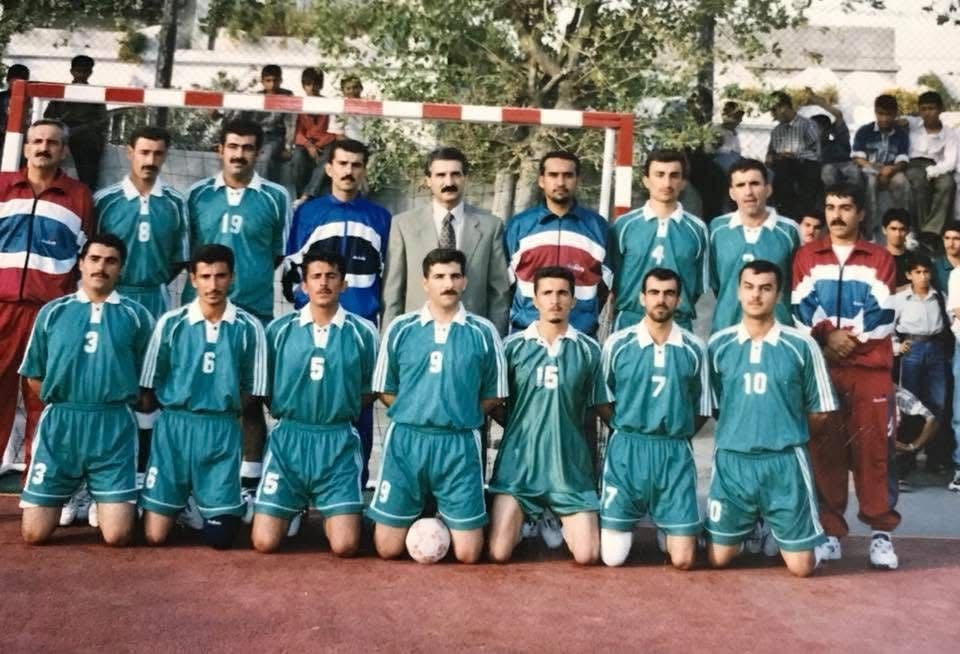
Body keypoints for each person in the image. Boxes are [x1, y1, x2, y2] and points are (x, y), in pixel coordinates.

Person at [368, 248, 507, 563]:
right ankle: (418, 512)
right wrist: (416, 410)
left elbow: (494, 394)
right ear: (425, 283)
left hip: (459, 444)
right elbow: (384, 388)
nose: (448, 283)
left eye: (455, 276)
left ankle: (442, 514)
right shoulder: (401, 328)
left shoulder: (483, 332)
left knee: (469, 554)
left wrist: (462, 415)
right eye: (439, 276)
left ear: (465, 281)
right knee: (387, 549)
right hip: (407, 441)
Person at [792, 182, 901, 570]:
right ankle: (831, 533)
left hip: (869, 371)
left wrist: (843, 340)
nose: (836, 215)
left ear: (861, 213)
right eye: (830, 207)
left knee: (874, 453)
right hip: (825, 369)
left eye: (845, 207)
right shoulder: (807, 256)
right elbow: (801, 306)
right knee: (826, 452)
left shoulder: (880, 258)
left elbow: (882, 312)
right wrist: (827, 336)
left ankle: (881, 534)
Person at [19, 233, 153, 546]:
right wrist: (67, 402)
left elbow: (148, 380)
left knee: (118, 536)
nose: (100, 267)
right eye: (94, 259)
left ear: (121, 269)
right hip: (62, 425)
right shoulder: (53, 312)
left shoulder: (137, 316)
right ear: (81, 263)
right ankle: (73, 487)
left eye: (110, 261)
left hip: (113, 426)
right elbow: (33, 375)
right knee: (34, 534)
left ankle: (99, 491)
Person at [185, 118, 290, 513]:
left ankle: (248, 485)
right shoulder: (197, 195)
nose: (239, 154)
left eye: (247, 147)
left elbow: (277, 254)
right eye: (232, 146)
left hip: (253, 311)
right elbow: (189, 254)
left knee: (250, 400)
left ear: (258, 152)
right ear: (220, 150)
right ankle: (195, 485)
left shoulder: (275, 197)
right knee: (198, 400)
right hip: (201, 315)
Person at [707, 260, 836, 577]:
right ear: (738, 292)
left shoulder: (801, 345)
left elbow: (820, 410)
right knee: (717, 559)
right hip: (734, 460)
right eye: (749, 287)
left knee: (802, 569)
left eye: (765, 288)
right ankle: (752, 524)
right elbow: (716, 404)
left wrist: (785, 432)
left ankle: (774, 526)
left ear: (778, 295)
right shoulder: (718, 345)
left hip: (784, 462)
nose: (756, 295)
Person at [138, 244, 268, 549]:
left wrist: (221, 408)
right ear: (193, 279)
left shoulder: (249, 327)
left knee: (220, 539)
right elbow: (150, 383)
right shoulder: (171, 323)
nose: (213, 285)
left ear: (232, 277)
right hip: (174, 430)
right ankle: (181, 499)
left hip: (221, 431)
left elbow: (254, 389)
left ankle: (206, 498)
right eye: (206, 277)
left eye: (220, 276)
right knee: (154, 536)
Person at [252, 247, 377, 555]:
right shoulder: (278, 331)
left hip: (337, 440)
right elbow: (265, 387)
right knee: (264, 543)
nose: (323, 283)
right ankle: (291, 506)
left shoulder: (363, 332)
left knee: (345, 546)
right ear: (304, 285)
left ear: (344, 284)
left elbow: (369, 389)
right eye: (316, 276)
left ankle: (332, 510)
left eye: (331, 276)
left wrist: (335, 409)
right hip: (289, 439)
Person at [284, 138, 390, 485]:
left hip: (359, 330)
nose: (348, 171)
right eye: (342, 164)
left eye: (356, 165)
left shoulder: (380, 217)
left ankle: (353, 488)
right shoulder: (308, 213)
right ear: (329, 168)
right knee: (308, 407)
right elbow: (292, 271)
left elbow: (387, 277)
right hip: (314, 330)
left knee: (358, 411)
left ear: (364, 170)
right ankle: (299, 490)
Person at [596, 268, 711, 569]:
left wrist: (677, 432)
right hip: (627, 450)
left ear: (679, 299)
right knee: (612, 558)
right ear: (642, 297)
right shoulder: (618, 344)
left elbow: (703, 408)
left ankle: (669, 524)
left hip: (673, 452)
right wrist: (623, 426)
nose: (661, 299)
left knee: (683, 560)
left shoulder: (694, 347)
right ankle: (640, 520)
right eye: (655, 293)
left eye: (669, 293)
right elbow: (602, 398)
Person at [0, 119, 94, 487]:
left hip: (49, 314)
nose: (43, 147)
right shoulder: (4, 187)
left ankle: (39, 482)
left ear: (64, 150)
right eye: (37, 141)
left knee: (44, 397)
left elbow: (85, 258)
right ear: (25, 148)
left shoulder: (79, 196)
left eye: (52, 142)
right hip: (2, 308)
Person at [487, 266, 602, 565]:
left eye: (562, 293)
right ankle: (528, 518)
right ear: (535, 299)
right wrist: (523, 425)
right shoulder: (511, 348)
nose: (555, 300)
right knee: (498, 552)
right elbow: (494, 402)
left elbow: (599, 406)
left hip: (569, 471)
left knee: (588, 555)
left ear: (573, 300)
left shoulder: (589, 350)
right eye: (547, 293)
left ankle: (552, 515)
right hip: (518, 469)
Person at [382, 146, 510, 334]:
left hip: (471, 335)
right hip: (417, 334)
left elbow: (499, 293)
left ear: (465, 178)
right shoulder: (403, 225)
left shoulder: (491, 226)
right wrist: (390, 338)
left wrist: (495, 339)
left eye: (455, 174)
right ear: (428, 180)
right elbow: (392, 292)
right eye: (441, 175)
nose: (449, 182)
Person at [503, 151, 610, 337]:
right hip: (527, 336)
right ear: (541, 180)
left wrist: (584, 317)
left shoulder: (598, 227)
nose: (560, 182)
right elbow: (506, 284)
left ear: (577, 180)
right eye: (553, 175)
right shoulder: (519, 226)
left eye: (568, 175)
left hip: (580, 337)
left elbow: (605, 285)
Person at [93, 126, 188, 319]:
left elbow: (180, 258)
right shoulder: (104, 201)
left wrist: (151, 281)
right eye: (144, 152)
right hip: (110, 294)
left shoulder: (176, 202)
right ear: (130, 153)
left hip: (156, 298)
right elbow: (88, 254)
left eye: (158, 154)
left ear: (165, 155)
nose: (150, 161)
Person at [609, 149, 708, 331]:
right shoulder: (624, 225)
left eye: (674, 175)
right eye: (659, 175)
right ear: (646, 180)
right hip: (630, 321)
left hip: (678, 323)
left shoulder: (697, 230)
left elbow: (698, 287)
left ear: (683, 183)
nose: (667, 183)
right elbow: (610, 279)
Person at [709, 158, 800, 332]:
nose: (748, 192)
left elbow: (796, 285)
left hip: (777, 331)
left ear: (768, 189)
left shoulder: (789, 231)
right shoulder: (717, 229)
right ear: (731, 193)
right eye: (740, 185)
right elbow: (717, 284)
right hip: (727, 328)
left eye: (755, 184)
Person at [890, 253, 950, 480]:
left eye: (926, 272)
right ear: (909, 275)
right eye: (917, 272)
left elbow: (951, 321)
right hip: (912, 350)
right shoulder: (900, 299)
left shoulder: (939, 297)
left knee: (938, 403)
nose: (923, 277)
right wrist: (897, 347)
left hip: (935, 350)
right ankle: (906, 462)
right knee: (910, 405)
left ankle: (934, 457)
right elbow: (887, 327)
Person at [851, 94, 911, 242]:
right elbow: (857, 158)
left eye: (888, 114)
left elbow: (903, 159)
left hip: (892, 169)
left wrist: (892, 169)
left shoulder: (901, 134)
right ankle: (870, 229)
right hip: (869, 169)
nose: (884, 118)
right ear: (875, 112)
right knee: (871, 183)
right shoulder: (864, 131)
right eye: (880, 114)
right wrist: (876, 170)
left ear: (895, 114)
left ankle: (903, 224)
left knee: (902, 182)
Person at [43, 55, 108, 191]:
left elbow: (102, 121)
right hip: (62, 135)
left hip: (85, 138)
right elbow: (48, 117)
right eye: (78, 71)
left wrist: (79, 129)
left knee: (88, 175)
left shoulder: (95, 93)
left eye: (85, 71)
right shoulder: (62, 92)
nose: (81, 75)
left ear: (90, 73)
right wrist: (61, 127)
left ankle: (87, 192)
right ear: (72, 71)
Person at [904, 91, 958, 242]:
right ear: (919, 110)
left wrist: (935, 171)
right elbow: (897, 120)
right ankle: (923, 232)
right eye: (924, 109)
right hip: (913, 164)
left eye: (932, 108)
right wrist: (900, 121)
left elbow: (950, 161)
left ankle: (931, 231)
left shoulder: (949, 133)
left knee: (948, 183)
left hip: (936, 167)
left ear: (940, 109)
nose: (928, 113)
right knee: (919, 182)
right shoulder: (913, 124)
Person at [766, 91, 823, 220]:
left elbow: (816, 153)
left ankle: (803, 215)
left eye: (774, 110)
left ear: (784, 107)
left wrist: (795, 154)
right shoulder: (776, 130)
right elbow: (771, 153)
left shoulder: (808, 125)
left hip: (805, 164)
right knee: (780, 169)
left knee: (804, 170)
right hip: (782, 167)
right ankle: (784, 215)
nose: (772, 115)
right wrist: (772, 157)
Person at [289, 67, 336, 204]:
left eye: (316, 84)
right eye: (308, 84)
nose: (312, 88)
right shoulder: (300, 104)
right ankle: (300, 195)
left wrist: (319, 145)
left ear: (321, 85)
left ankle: (308, 195)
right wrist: (309, 145)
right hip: (306, 143)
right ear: (303, 86)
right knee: (297, 158)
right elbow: (297, 131)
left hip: (325, 142)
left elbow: (333, 131)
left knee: (327, 159)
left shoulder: (329, 104)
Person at [893, 385, 939, 492]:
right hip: (873, 438)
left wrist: (913, 446)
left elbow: (932, 420)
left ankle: (899, 472)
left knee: (919, 421)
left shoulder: (901, 395)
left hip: (895, 437)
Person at [0, 63, 30, 154]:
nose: (17, 84)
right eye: (14, 80)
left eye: (21, 80)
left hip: (22, 138)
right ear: (8, 80)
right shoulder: (2, 98)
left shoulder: (30, 99)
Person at [882, 208, 914, 291]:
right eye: (893, 229)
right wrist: (909, 288)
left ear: (908, 231)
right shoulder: (877, 260)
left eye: (902, 229)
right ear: (884, 230)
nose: (898, 234)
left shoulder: (916, 259)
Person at [328, 75, 364, 142]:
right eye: (348, 88)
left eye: (355, 87)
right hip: (349, 144)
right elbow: (339, 136)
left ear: (361, 88)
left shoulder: (370, 106)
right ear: (343, 91)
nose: (352, 91)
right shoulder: (338, 108)